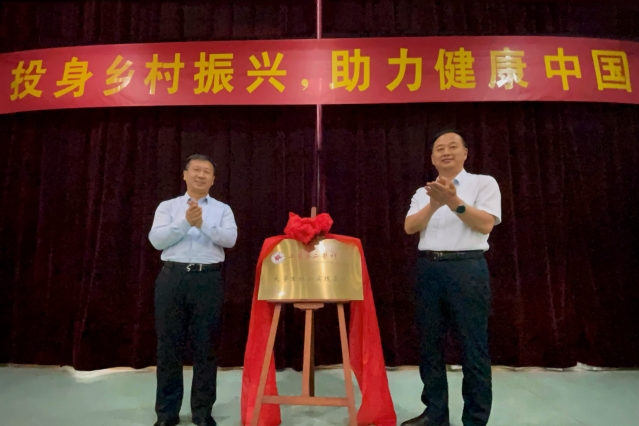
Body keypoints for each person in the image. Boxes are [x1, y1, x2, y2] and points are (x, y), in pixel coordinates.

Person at [402, 130, 501, 426]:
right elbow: (410, 227)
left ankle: (475, 419)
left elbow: (485, 224)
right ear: (432, 158)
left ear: (465, 153)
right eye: (439, 148)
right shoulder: (423, 193)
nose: (446, 152)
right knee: (429, 345)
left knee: (473, 347)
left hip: (467, 269)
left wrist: (453, 201)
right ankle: (435, 414)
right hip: (429, 270)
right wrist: (434, 203)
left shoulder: (483, 183)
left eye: (453, 147)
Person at [149, 154, 238, 426]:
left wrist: (202, 224)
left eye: (206, 172)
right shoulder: (167, 207)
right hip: (172, 278)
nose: (201, 175)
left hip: (207, 280)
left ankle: (202, 413)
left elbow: (230, 239)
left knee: (206, 348)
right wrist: (185, 222)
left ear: (213, 179)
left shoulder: (222, 209)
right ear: (185, 175)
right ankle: (167, 414)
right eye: (196, 170)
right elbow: (156, 240)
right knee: (168, 348)